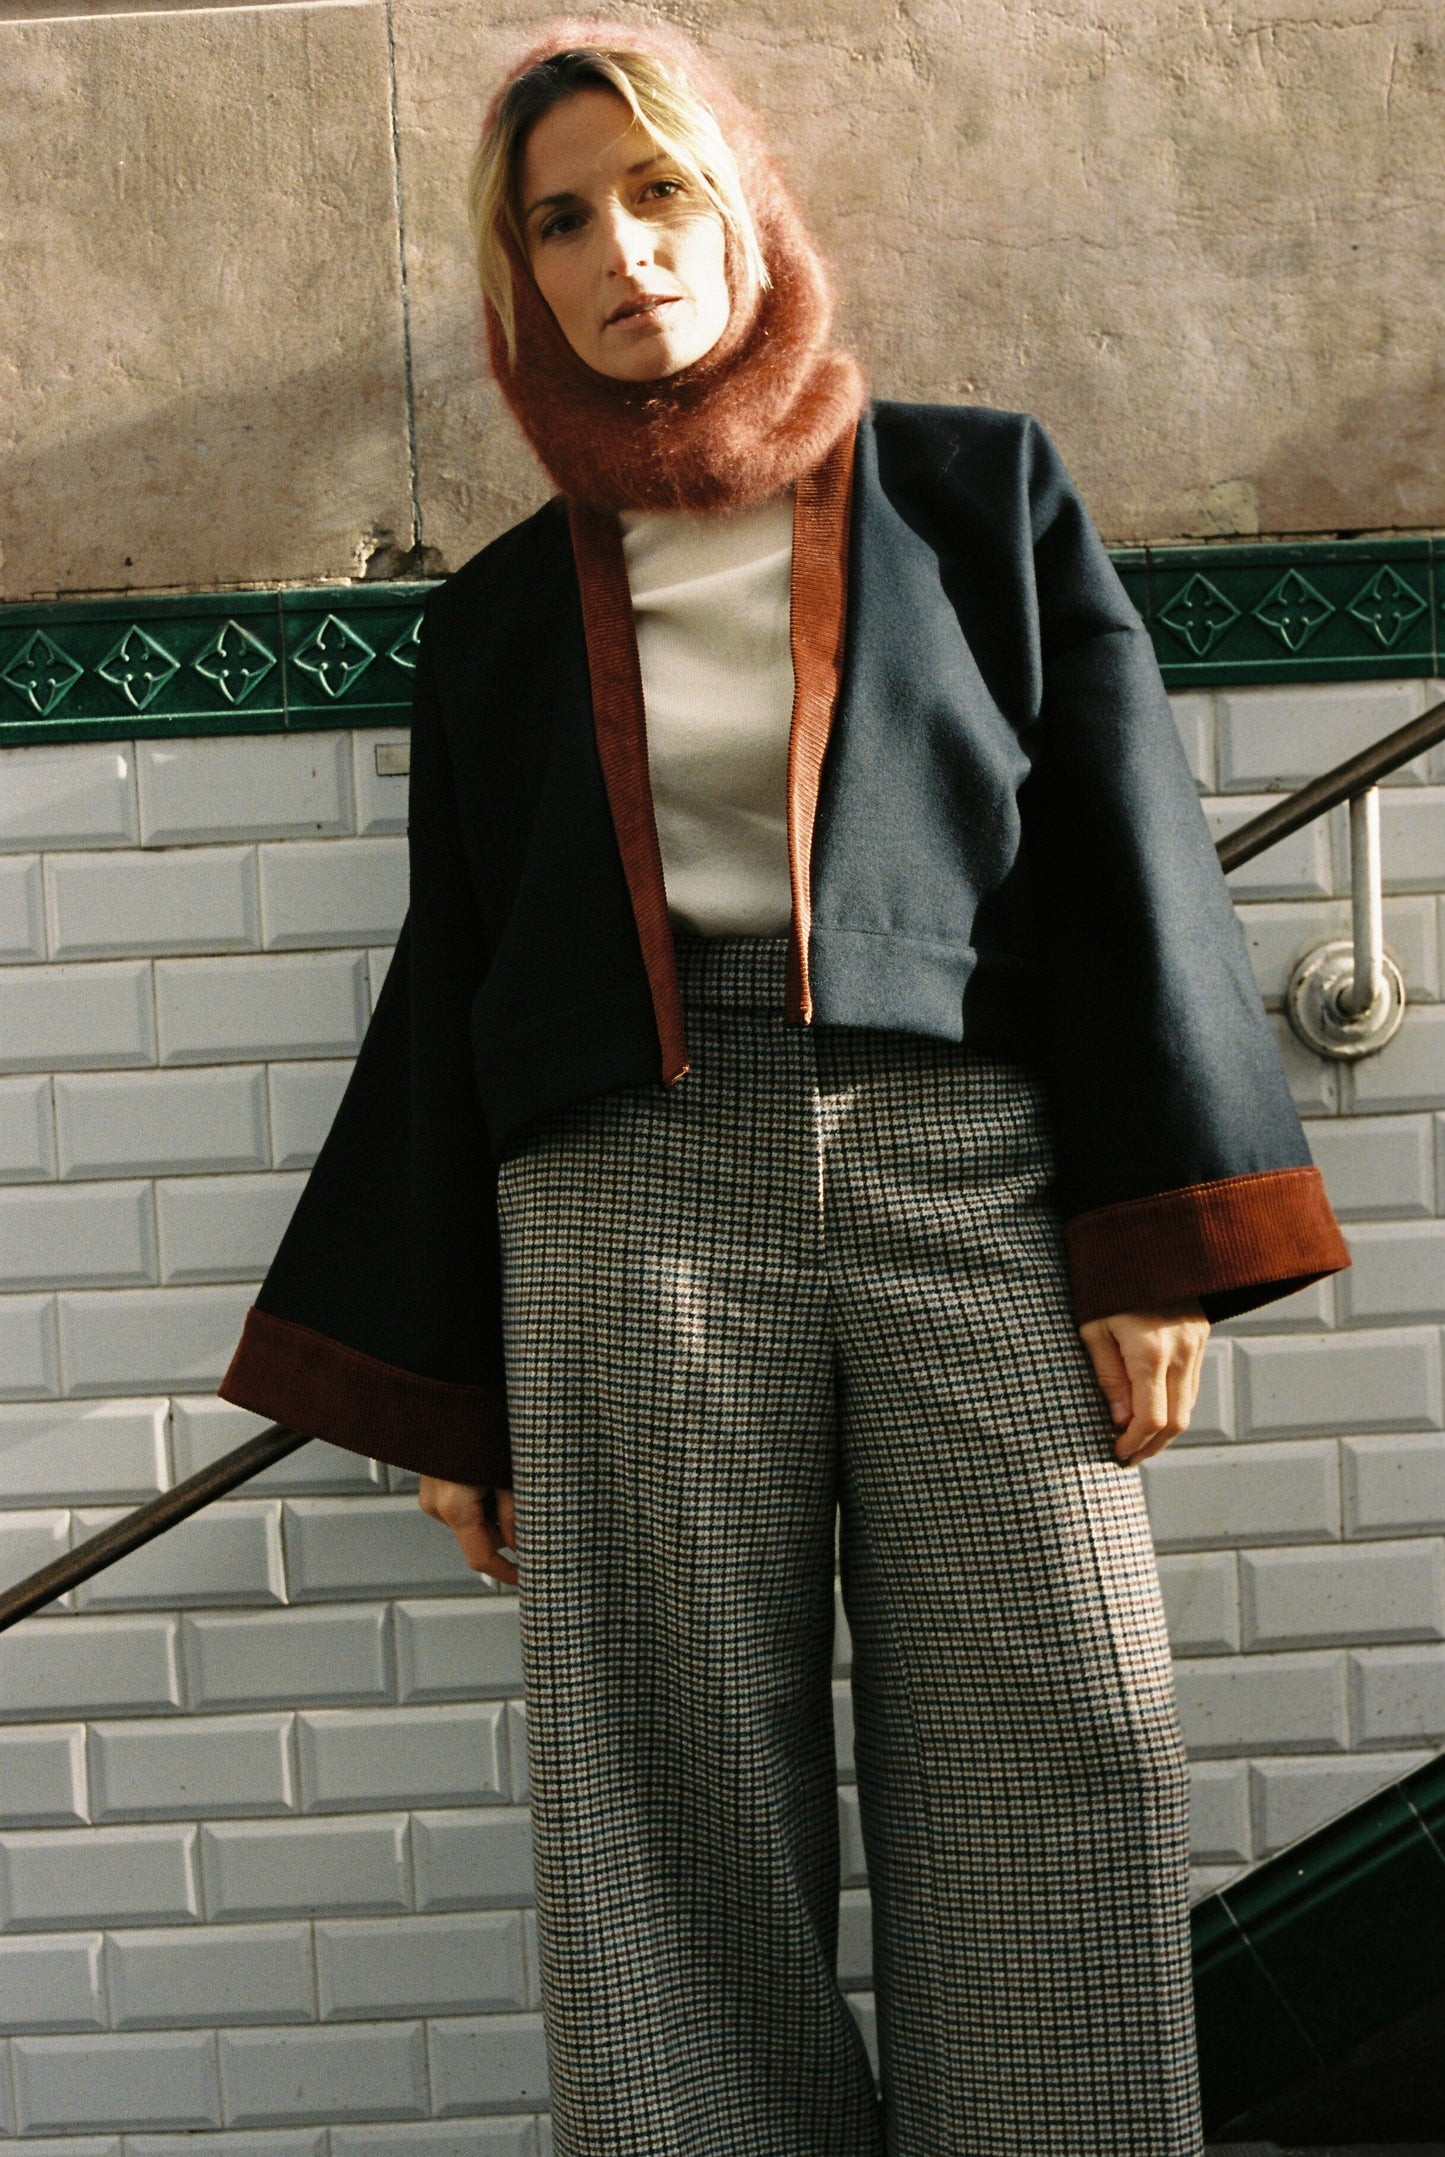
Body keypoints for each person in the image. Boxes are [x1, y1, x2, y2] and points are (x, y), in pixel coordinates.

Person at [220, 22, 1349, 2155]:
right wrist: (453, 1378)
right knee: (661, 1790)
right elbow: (457, 985)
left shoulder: (974, 490)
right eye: (559, 218)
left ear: (740, 203)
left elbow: (1123, 853)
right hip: (622, 1193)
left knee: (1067, 1727)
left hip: (971, 1167)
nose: (618, 247)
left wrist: (1150, 1237)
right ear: (517, 276)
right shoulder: (486, 628)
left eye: (656, 190)